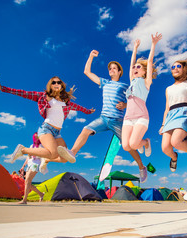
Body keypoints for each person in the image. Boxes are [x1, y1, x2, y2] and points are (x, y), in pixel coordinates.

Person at [57, 49, 148, 182]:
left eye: (114, 68)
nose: (111, 70)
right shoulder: (105, 83)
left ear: (119, 72)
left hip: (117, 120)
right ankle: (73, 152)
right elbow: (87, 72)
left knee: (128, 145)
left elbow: (135, 100)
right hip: (103, 118)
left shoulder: (125, 85)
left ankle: (141, 167)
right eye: (110, 68)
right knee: (86, 130)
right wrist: (90, 57)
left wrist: (125, 105)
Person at [0, 76, 95, 168]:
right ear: (50, 86)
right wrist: (3, 88)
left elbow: (79, 108)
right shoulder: (44, 97)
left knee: (65, 158)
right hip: (46, 129)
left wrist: (88, 111)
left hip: (57, 133)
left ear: (62, 86)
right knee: (54, 152)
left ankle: (47, 159)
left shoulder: (66, 102)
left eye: (58, 82)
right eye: (53, 82)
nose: (56, 84)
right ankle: (23, 150)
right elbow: (23, 93)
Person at [121, 32, 162, 163]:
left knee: (133, 144)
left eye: (139, 67)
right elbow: (131, 64)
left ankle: (145, 142)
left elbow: (149, 62)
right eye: (134, 68)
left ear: (144, 72)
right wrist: (135, 49)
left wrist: (153, 44)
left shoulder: (146, 82)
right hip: (128, 118)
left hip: (141, 117)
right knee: (126, 146)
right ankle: (140, 143)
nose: (135, 68)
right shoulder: (132, 81)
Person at [159, 52, 187, 173]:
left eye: (178, 66)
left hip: (184, 113)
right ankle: (174, 157)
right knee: (165, 148)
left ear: (184, 69)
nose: (175, 69)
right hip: (170, 116)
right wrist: (163, 124)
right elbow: (167, 108)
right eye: (173, 67)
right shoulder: (168, 89)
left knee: (176, 141)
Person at [18, 132, 45, 204]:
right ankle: (41, 194)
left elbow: (42, 155)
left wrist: (34, 153)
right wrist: (23, 166)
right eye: (34, 137)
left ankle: (24, 200)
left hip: (36, 164)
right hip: (30, 164)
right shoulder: (31, 146)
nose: (35, 138)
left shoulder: (41, 146)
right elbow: (28, 157)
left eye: (37, 137)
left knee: (27, 181)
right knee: (27, 182)